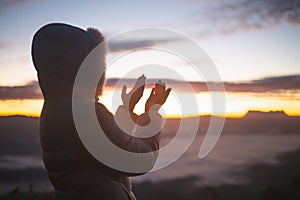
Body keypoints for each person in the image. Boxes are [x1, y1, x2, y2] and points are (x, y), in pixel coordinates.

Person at [31, 23, 171, 200]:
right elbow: (138, 160)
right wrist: (152, 113)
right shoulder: (85, 114)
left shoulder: (56, 109)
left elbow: (107, 145)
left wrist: (128, 110)